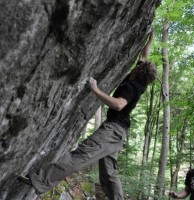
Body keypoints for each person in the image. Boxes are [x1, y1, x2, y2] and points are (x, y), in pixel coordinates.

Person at [18, 31, 157, 199]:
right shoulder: (140, 83)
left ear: (138, 71)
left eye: (140, 65)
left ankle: (39, 180)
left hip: (112, 131)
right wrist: (150, 39)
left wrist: (95, 90)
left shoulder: (131, 87)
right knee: (109, 174)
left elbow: (119, 104)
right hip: (119, 134)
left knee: (80, 155)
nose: (139, 64)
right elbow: (144, 55)